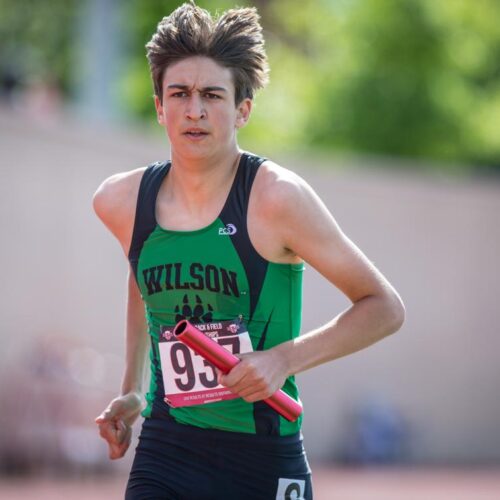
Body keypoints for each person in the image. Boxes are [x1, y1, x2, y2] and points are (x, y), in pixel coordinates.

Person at [93, 2, 405, 499]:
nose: (194, 110)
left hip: (260, 457)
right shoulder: (120, 201)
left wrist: (282, 359)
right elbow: (143, 278)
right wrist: (132, 387)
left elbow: (385, 308)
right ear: (159, 107)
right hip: (167, 448)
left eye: (212, 95)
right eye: (180, 94)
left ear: (243, 109)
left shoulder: (277, 198)